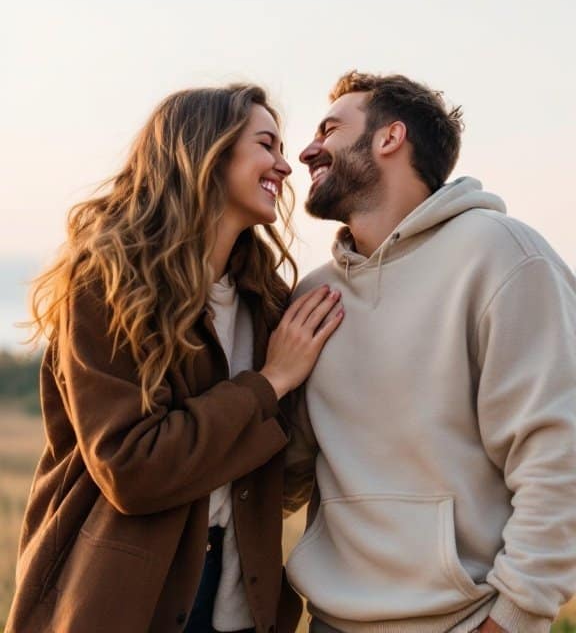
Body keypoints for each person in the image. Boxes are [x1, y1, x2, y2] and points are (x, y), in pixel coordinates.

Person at [6, 84, 344, 633]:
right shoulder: (107, 285)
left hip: (243, 605)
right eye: (266, 144)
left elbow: (284, 469)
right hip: (120, 602)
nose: (285, 165)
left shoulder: (271, 303)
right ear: (206, 150)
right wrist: (269, 382)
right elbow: (132, 470)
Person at [284, 71, 576, 633]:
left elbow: (557, 460)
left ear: (389, 138)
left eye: (329, 129)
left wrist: (514, 616)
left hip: (465, 621)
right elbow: (290, 473)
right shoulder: (312, 298)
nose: (306, 149)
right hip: (330, 620)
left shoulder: (503, 257)